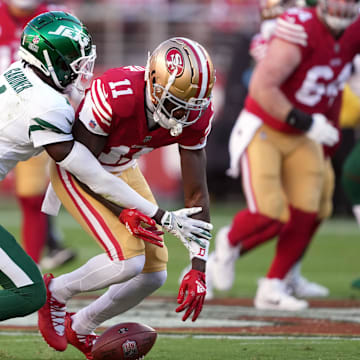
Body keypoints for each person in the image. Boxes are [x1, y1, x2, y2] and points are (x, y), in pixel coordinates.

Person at [0, 11, 204, 325]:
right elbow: (90, 172)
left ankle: (79, 324)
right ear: (48, 60)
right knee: (28, 292)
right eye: (75, 63)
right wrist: (161, 215)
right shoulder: (49, 106)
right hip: (91, 172)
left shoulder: (18, 71)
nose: (81, 71)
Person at [37, 36, 215, 359]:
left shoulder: (193, 114)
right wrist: (122, 211)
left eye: (193, 106)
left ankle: (80, 326)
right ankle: (54, 293)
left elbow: (197, 195)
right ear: (154, 82)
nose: (185, 116)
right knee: (128, 259)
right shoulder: (117, 93)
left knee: (153, 273)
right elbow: (82, 166)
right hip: (79, 171)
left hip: (121, 168)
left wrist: (199, 267)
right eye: (177, 103)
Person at [207, 0, 360, 311]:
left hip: (306, 132)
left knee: (308, 210)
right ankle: (229, 242)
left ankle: (274, 285)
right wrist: (306, 121)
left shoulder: (353, 32)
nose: (343, 7)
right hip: (267, 126)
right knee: (271, 212)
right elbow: (263, 87)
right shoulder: (297, 26)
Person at [0, 0, 76, 269]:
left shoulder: (52, 17)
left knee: (32, 197)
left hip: (35, 113)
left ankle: (31, 267)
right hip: (6, 107)